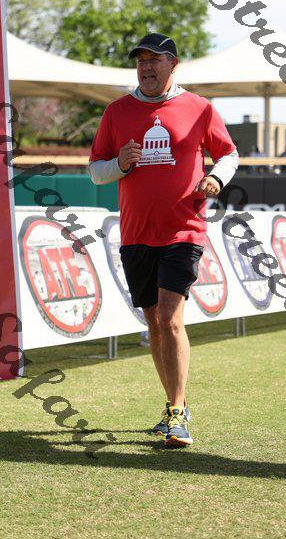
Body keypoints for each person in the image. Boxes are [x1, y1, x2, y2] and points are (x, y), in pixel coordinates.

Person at [88, 33, 238, 447]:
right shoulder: (117, 111)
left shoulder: (199, 107)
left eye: (154, 60)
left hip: (183, 229)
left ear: (174, 64)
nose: (146, 67)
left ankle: (177, 411)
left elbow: (229, 154)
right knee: (154, 322)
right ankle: (172, 405)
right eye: (141, 61)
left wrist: (216, 177)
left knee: (171, 316)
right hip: (136, 233)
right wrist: (119, 164)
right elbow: (95, 171)